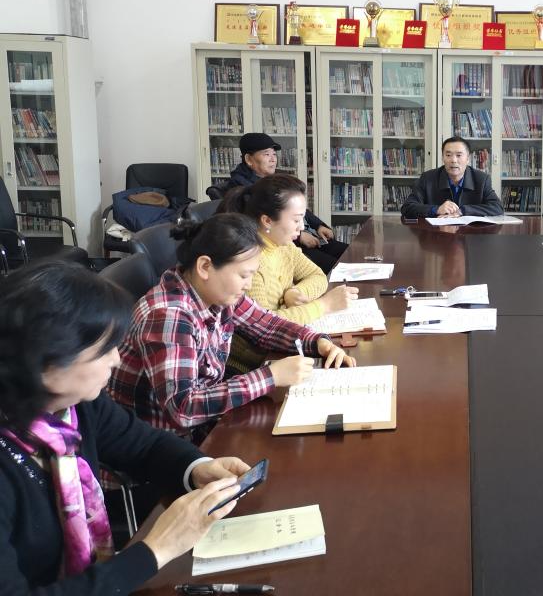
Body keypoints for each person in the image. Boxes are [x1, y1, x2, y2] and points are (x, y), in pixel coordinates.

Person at [0, 261, 249, 594]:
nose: (116, 359)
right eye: (105, 350)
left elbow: (145, 445)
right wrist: (157, 549)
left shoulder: (73, 406)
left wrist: (198, 468)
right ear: (45, 365)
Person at [109, 213, 355, 442]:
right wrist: (271, 376)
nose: (248, 285)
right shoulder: (169, 317)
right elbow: (184, 408)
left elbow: (267, 324)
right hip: (164, 448)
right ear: (205, 267)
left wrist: (317, 342)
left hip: (201, 429)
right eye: (244, 275)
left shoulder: (216, 292)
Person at [219, 174, 359, 374]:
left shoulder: (284, 245)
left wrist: (294, 292)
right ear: (267, 220)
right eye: (296, 220)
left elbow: (317, 276)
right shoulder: (248, 263)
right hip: (252, 366)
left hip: (283, 351)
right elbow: (263, 327)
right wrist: (323, 305)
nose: (302, 227)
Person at [227, 132, 347, 273]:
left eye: (274, 154)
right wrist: (299, 236)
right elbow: (261, 225)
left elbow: (298, 209)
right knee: (337, 269)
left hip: (308, 235)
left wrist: (318, 225)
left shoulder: (276, 178)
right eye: (266, 154)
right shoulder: (243, 188)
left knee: (351, 253)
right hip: (289, 244)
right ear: (248, 159)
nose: (273, 159)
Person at [400, 136, 503, 219]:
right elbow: (407, 207)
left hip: (470, 235)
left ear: (468, 158)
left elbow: (497, 207)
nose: (453, 160)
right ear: (443, 158)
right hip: (436, 234)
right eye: (448, 155)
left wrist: (462, 211)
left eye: (459, 155)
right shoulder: (428, 178)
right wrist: (436, 209)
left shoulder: (481, 179)